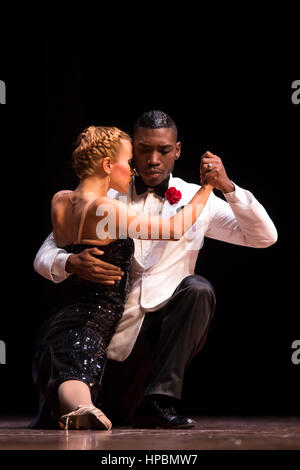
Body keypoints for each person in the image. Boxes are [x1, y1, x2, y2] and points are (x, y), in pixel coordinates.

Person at [34, 111, 278, 429]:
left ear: (177, 150)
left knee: (198, 288)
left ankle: (160, 401)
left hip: (162, 330)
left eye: (163, 150)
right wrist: (68, 262)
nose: (152, 159)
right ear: (131, 150)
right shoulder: (104, 197)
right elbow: (46, 251)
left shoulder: (193, 197)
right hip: (109, 325)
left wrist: (225, 187)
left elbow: (264, 237)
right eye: (144, 149)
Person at [30, 124, 214, 431]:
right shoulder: (107, 210)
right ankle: (82, 408)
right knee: (79, 363)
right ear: (106, 165)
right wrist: (207, 189)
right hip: (94, 316)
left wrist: (71, 259)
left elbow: (61, 241)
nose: (133, 171)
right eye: (128, 162)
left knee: (71, 364)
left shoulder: (59, 200)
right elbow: (174, 229)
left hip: (61, 316)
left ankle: (77, 406)